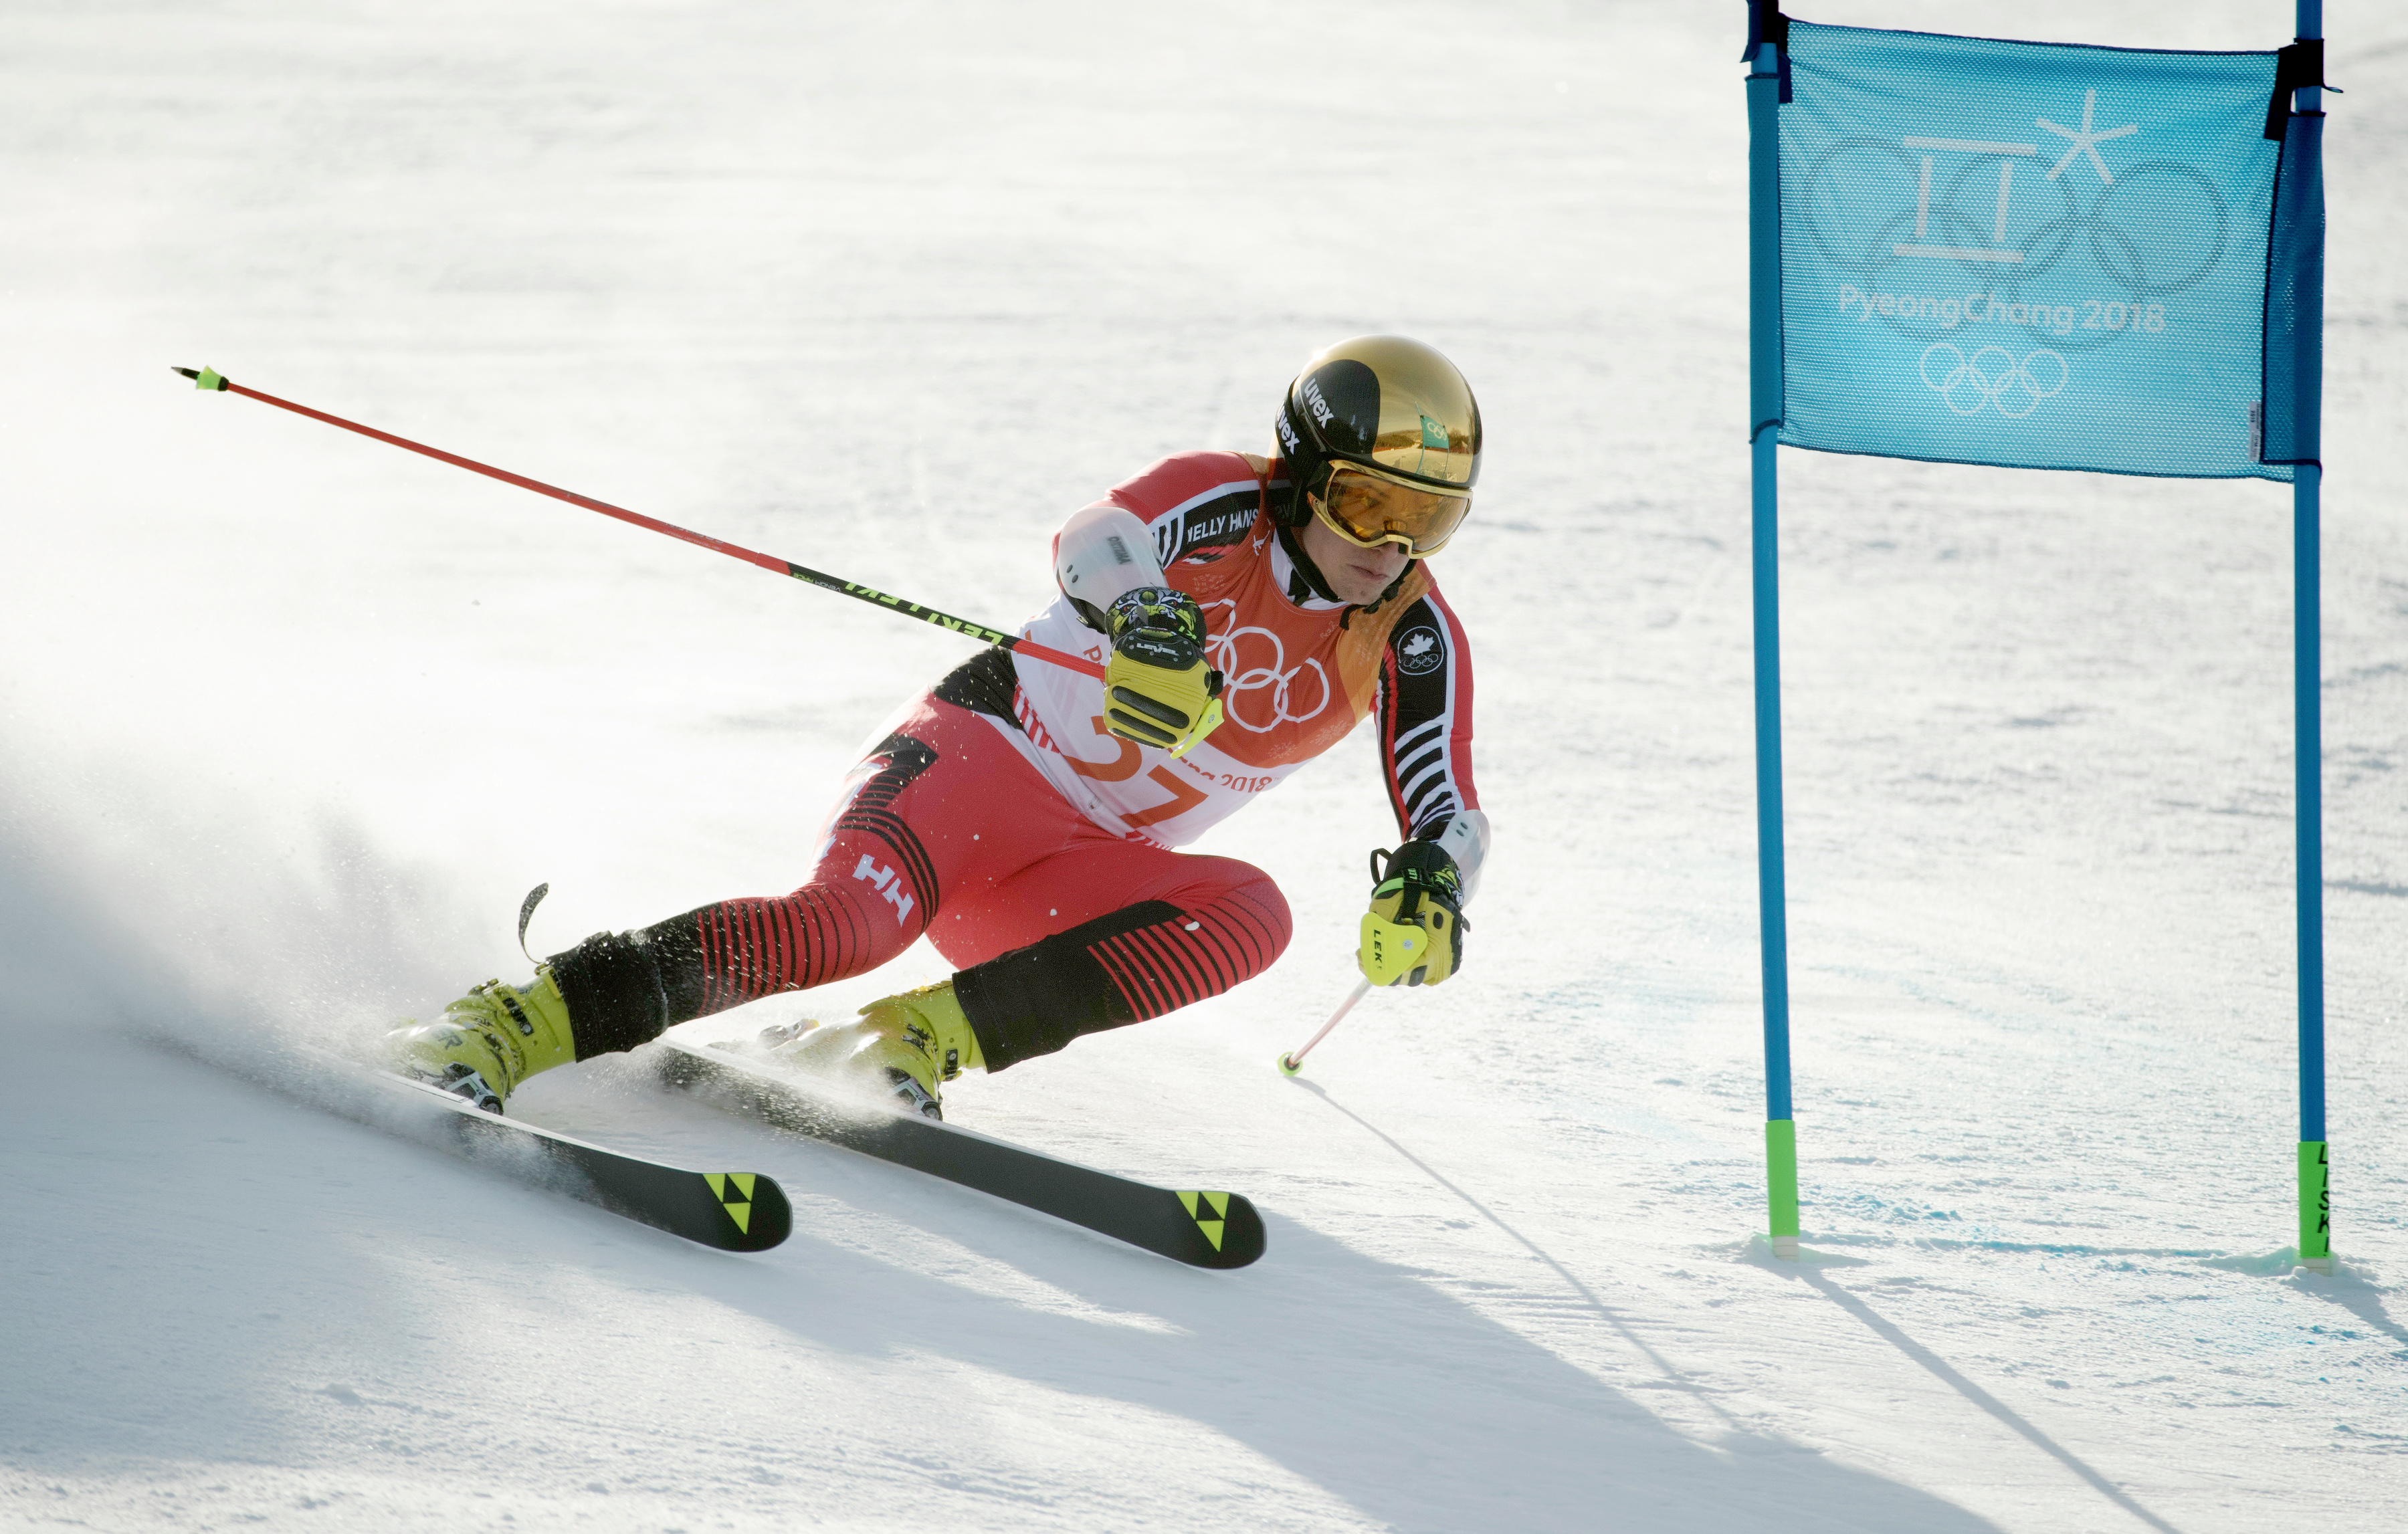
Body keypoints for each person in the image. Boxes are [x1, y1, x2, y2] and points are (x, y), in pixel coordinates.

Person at [387, 334, 1492, 1119]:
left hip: (1069, 873)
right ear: (1301, 471)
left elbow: (1450, 803)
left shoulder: (1408, 632)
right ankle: (512, 1021)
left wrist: (1434, 884)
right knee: (841, 929)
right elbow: (1098, 535)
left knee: (1251, 914)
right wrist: (1147, 614)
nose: (1393, 545)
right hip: (982, 761)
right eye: (1369, 503)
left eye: (1428, 519)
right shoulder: (1224, 502)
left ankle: (903, 1039)